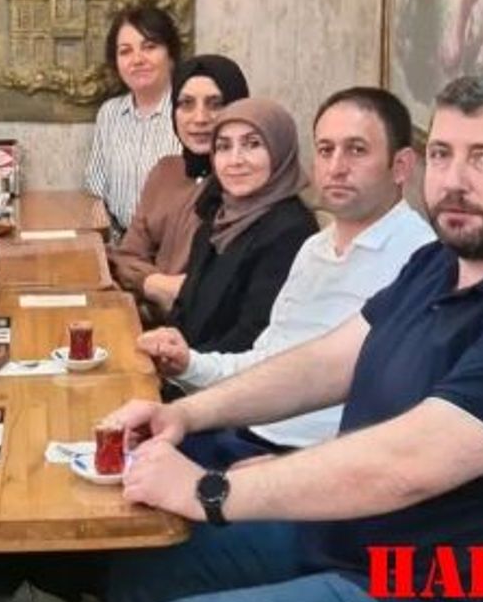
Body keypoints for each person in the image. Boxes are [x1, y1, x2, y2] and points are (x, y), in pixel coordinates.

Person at [104, 73, 483, 602]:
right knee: (151, 559)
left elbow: (409, 463)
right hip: (355, 541)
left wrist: (210, 491)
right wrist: (185, 415)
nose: (455, 181)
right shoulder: (441, 262)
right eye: (443, 154)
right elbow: (325, 362)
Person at [138, 87, 434, 461]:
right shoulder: (314, 248)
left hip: (312, 463)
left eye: (357, 150)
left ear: (401, 166)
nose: (336, 167)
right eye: (325, 150)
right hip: (247, 432)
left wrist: (283, 471)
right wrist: (189, 364)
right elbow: (267, 359)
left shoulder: (421, 260)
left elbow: (399, 415)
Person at [168, 98, 317, 355]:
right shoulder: (218, 216)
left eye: (252, 144)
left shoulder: (290, 231)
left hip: (233, 374)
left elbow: (255, 336)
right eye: (224, 147)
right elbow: (185, 305)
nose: (235, 160)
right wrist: (167, 343)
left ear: (280, 149)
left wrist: (187, 366)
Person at [109, 54, 249, 323]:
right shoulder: (166, 171)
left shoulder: (243, 184)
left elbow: (215, 293)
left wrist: (145, 282)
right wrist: (155, 284)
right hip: (146, 320)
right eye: (186, 104)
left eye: (216, 104)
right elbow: (125, 258)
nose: (200, 118)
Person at [84, 2, 183, 232]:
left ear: (170, 54)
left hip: (175, 246)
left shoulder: (189, 113)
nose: (137, 59)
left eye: (149, 47)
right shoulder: (110, 114)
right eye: (125, 51)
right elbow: (96, 189)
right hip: (119, 244)